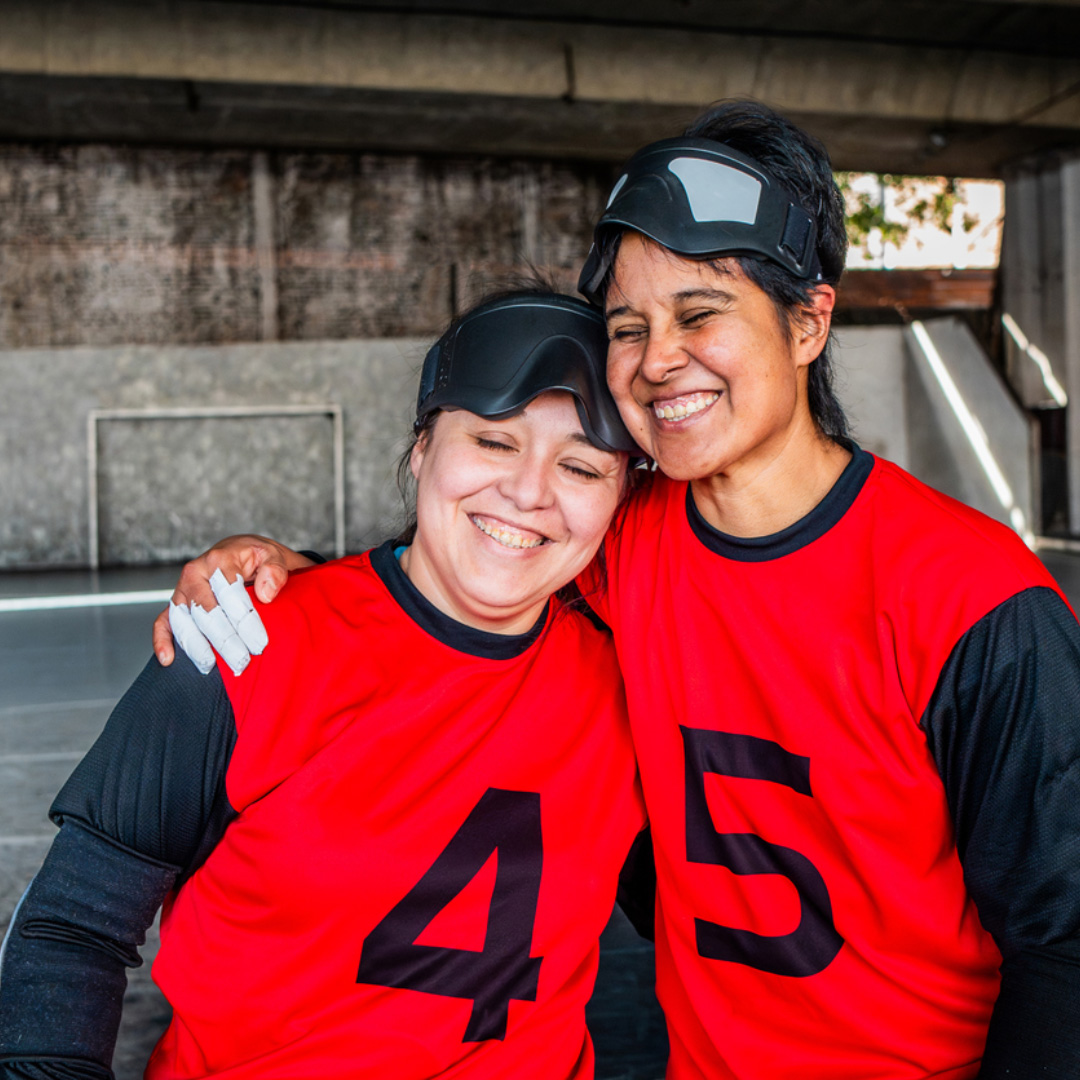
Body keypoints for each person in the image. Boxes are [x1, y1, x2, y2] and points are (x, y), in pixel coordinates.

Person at [151, 102, 1080, 1078]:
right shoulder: (620, 541)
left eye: (701, 313)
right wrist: (285, 566)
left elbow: (1063, 945)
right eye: (629, 327)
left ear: (809, 321)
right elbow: (463, 571)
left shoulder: (973, 603)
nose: (657, 359)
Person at [0, 290, 648, 1080]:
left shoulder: (633, 684)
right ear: (421, 450)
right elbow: (70, 928)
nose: (528, 491)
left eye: (580, 465)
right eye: (493, 440)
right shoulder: (244, 641)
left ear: (621, 498)